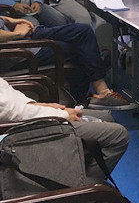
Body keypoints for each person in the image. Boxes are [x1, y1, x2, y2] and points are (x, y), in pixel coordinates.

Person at [0, 76, 129, 179]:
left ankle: (76, 179)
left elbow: (4, 91)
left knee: (105, 118)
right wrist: (63, 115)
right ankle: (82, 193)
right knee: (118, 136)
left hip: (20, 116)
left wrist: (38, 105)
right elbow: (8, 112)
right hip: (12, 131)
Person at [0, 16, 131, 109]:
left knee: (82, 34)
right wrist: (17, 34)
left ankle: (88, 96)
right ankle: (97, 93)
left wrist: (10, 20)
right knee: (82, 43)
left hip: (20, 37)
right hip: (17, 50)